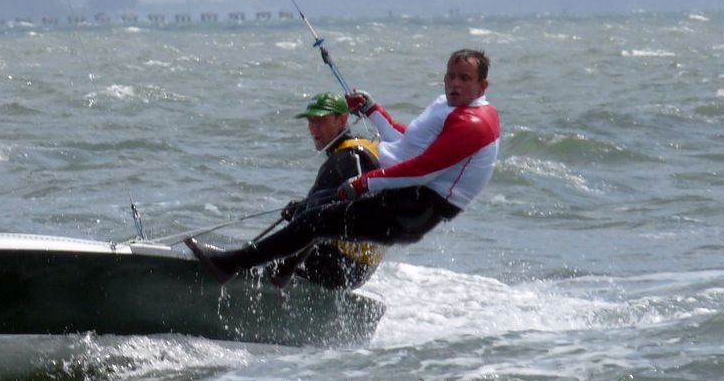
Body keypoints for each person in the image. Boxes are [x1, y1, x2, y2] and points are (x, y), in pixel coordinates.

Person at [188, 49, 499, 282]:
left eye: (465, 78)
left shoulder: (473, 123)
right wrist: (373, 110)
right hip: (405, 195)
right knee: (312, 208)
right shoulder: (447, 106)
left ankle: (229, 266)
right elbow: (409, 143)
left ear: (482, 86)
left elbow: (423, 168)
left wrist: (364, 183)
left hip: (417, 211)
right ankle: (279, 272)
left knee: (315, 221)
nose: (454, 83)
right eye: (451, 76)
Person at [259, 92, 386, 290]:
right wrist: (302, 206)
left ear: (341, 120)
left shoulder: (342, 160)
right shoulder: (363, 147)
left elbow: (312, 217)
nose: (313, 128)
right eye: (311, 121)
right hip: (363, 267)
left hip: (341, 264)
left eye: (321, 121)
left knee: (272, 258)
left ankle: (271, 278)